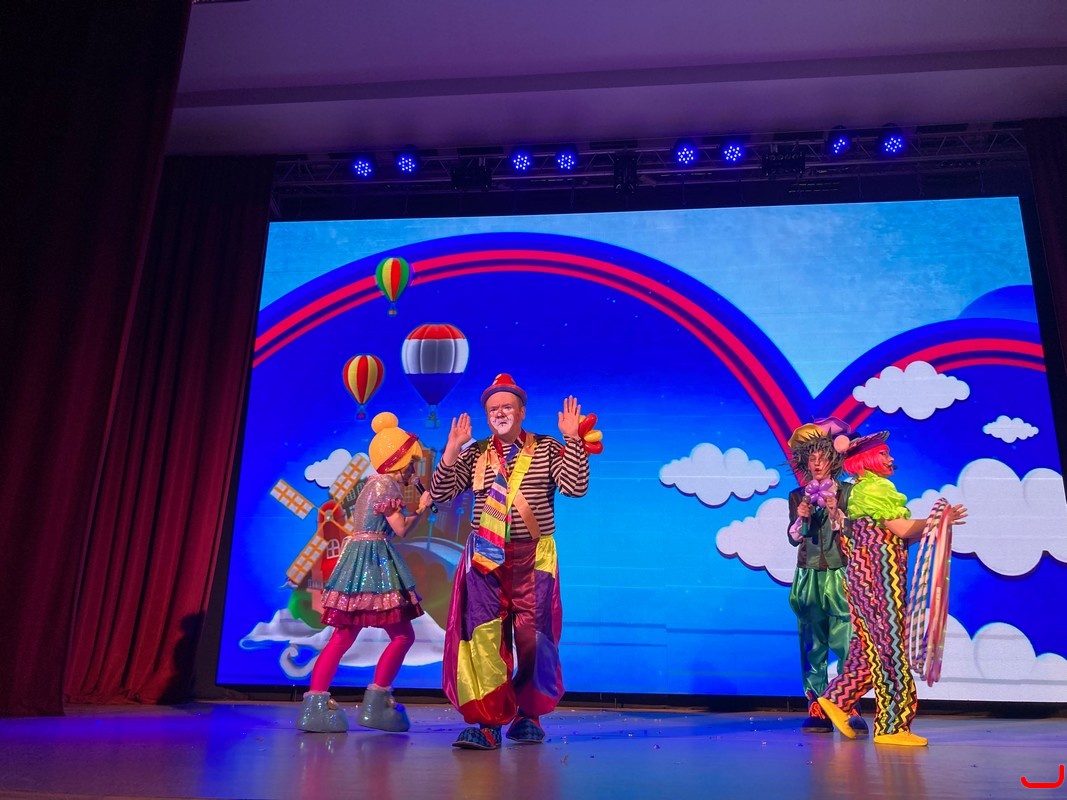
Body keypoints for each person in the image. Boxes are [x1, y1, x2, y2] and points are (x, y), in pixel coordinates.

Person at [431, 373, 590, 750]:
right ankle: (487, 722)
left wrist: (573, 440)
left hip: (533, 557)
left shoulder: (547, 447)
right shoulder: (475, 452)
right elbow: (439, 494)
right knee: (483, 638)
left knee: (536, 638)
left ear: (522, 411)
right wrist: (451, 450)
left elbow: (575, 488)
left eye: (507, 406)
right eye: (493, 409)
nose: (499, 413)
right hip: (485, 556)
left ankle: (529, 715)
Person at [817, 431, 967, 747]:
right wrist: (939, 520)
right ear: (867, 459)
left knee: (868, 648)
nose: (891, 459)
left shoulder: (858, 490)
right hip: (878, 582)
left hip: (862, 579)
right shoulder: (876, 487)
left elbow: (892, 535)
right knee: (890, 650)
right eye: (884, 454)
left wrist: (933, 524)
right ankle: (892, 725)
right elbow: (901, 528)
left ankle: (837, 699)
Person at [297, 411, 432, 733]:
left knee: (344, 635)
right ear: (398, 460)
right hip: (373, 562)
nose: (413, 470)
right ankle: (377, 703)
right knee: (403, 635)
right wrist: (422, 509)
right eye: (411, 463)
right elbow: (400, 529)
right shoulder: (388, 487)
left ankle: (316, 703)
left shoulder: (372, 484)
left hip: (357, 561)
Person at [786, 419, 868, 736]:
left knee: (846, 639)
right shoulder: (797, 496)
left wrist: (836, 512)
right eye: (812, 459)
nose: (817, 464)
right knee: (812, 641)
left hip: (840, 572)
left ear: (833, 460)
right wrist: (800, 520)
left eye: (823, 458)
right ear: (806, 462)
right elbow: (793, 538)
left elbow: (854, 534)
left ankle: (847, 703)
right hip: (808, 574)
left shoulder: (848, 492)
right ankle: (816, 704)